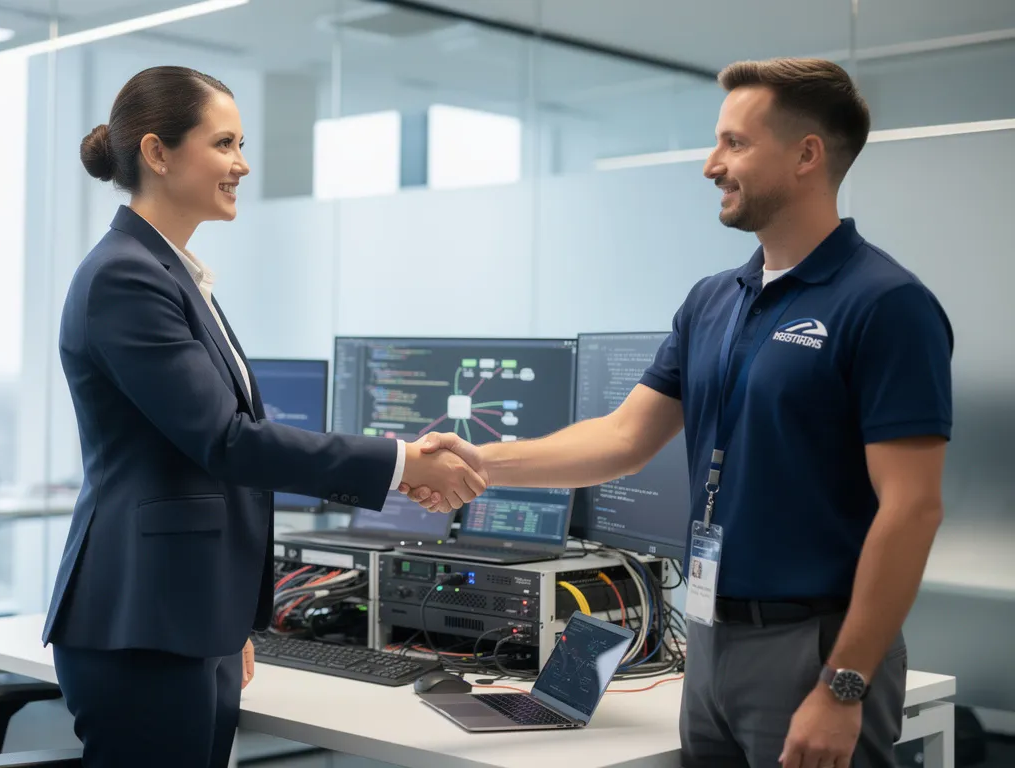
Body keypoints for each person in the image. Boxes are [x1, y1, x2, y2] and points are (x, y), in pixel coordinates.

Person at [405, 58, 951, 768]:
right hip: (710, 640)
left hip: (813, 645)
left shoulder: (884, 304)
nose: (710, 165)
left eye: (735, 143)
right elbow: (623, 439)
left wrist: (843, 685)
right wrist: (479, 461)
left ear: (807, 155)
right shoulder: (713, 300)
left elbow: (912, 510)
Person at [43, 65, 486, 767]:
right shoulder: (126, 277)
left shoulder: (170, 273)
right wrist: (401, 465)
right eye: (223, 144)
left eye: (240, 144)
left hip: (182, 615)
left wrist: (226, 617)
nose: (242, 164)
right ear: (158, 154)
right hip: (143, 624)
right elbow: (225, 442)